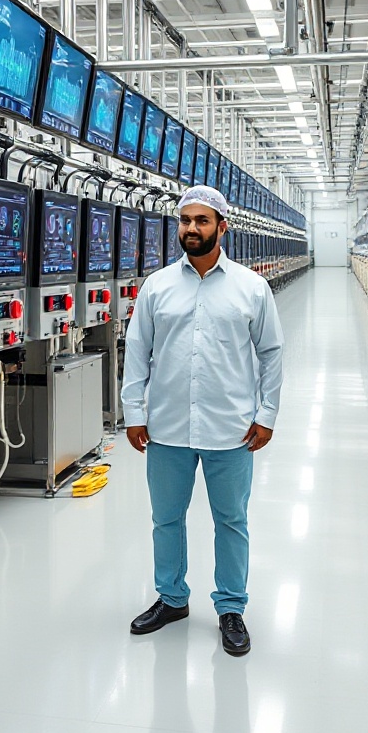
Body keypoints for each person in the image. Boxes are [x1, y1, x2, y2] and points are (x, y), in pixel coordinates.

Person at [121, 185, 284, 656]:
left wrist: (266, 413)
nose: (192, 228)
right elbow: (137, 353)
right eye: (185, 220)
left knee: (230, 520)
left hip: (230, 427)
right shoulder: (157, 286)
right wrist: (135, 412)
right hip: (167, 426)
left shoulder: (251, 287)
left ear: (222, 226)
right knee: (166, 519)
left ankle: (231, 608)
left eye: (202, 220)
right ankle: (171, 599)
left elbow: (271, 353)